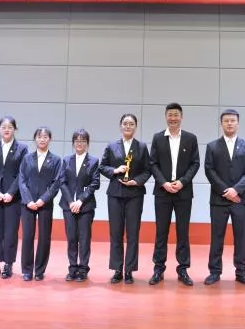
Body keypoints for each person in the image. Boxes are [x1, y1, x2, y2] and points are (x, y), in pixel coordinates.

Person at [148, 103, 200, 286]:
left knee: (182, 232)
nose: (173, 118)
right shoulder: (158, 138)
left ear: (181, 117)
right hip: (162, 192)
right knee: (161, 232)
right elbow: (153, 163)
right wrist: (163, 183)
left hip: (183, 192)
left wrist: (182, 182)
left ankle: (183, 269)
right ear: (166, 117)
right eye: (170, 115)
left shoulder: (190, 138)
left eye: (176, 115)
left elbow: (195, 163)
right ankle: (158, 269)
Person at [204, 109, 245, 286]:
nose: (229, 123)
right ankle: (214, 272)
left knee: (241, 237)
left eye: (233, 120)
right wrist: (226, 191)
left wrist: (236, 190)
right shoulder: (212, 146)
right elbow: (209, 170)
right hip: (219, 200)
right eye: (226, 120)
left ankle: (241, 272)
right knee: (216, 237)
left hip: (241, 200)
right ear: (221, 124)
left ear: (238, 124)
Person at [100, 114, 151, 284]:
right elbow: (102, 166)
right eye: (125, 123)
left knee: (133, 233)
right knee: (116, 232)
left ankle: (129, 270)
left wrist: (137, 181)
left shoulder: (141, 147)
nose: (128, 126)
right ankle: (117, 269)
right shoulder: (111, 146)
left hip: (135, 194)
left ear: (135, 127)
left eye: (131, 124)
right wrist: (115, 171)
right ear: (120, 126)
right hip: (115, 194)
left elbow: (148, 170)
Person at [0, 116, 28, 279]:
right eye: (3, 127)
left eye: (10, 127)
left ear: (15, 129)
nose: (6, 129)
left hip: (13, 197)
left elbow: (22, 173)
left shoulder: (22, 149)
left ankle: (8, 263)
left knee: (10, 231)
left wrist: (11, 192)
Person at [18, 127, 63, 282]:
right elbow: (21, 180)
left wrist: (43, 199)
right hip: (27, 203)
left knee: (44, 237)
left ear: (50, 139)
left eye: (45, 137)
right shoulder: (27, 158)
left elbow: (56, 183)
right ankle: (27, 270)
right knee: (27, 236)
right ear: (35, 139)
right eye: (39, 137)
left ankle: (39, 270)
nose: (42, 139)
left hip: (45, 203)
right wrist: (28, 200)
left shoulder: (56, 160)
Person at [59, 129, 100, 282]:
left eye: (83, 141)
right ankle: (72, 268)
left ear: (87, 144)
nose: (80, 143)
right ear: (73, 143)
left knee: (84, 239)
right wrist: (71, 202)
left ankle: (83, 269)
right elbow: (62, 182)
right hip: (68, 206)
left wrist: (80, 201)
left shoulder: (93, 161)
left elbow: (95, 183)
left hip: (86, 206)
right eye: (77, 141)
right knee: (71, 238)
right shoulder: (66, 160)